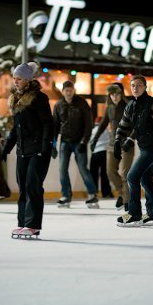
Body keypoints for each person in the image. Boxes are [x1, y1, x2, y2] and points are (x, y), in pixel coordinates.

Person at [114, 74, 153, 226]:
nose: (135, 88)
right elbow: (123, 125)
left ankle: (134, 213)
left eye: (139, 85)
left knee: (132, 176)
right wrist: (117, 140)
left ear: (145, 87)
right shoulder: (131, 105)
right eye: (133, 85)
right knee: (145, 179)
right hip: (144, 146)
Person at [1, 62, 53, 239]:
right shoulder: (16, 99)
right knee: (23, 186)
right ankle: (23, 222)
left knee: (33, 185)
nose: (16, 82)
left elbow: (48, 124)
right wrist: (6, 148)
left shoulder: (39, 98)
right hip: (22, 150)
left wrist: (46, 147)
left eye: (19, 78)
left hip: (38, 150)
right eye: (14, 78)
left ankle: (33, 225)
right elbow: (16, 129)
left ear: (28, 80)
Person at [53, 80, 99, 209]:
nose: (68, 92)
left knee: (83, 168)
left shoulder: (81, 103)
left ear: (74, 91)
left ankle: (92, 194)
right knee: (62, 169)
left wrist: (84, 141)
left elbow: (88, 124)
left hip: (79, 142)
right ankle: (65, 195)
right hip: (65, 142)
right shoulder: (58, 105)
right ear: (63, 92)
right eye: (66, 90)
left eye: (70, 90)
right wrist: (53, 144)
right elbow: (55, 126)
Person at [90, 83, 135, 211]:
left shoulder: (128, 105)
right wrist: (95, 139)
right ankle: (122, 193)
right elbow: (104, 123)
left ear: (121, 94)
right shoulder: (109, 107)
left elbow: (135, 125)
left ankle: (126, 201)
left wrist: (131, 139)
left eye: (117, 94)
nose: (115, 97)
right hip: (112, 143)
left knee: (125, 173)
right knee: (110, 171)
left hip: (126, 143)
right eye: (112, 94)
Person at [89, 116, 113, 198]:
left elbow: (90, 141)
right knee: (104, 174)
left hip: (95, 153)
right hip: (104, 152)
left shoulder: (92, 131)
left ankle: (93, 192)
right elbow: (110, 140)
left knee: (93, 174)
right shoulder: (107, 131)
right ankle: (106, 192)